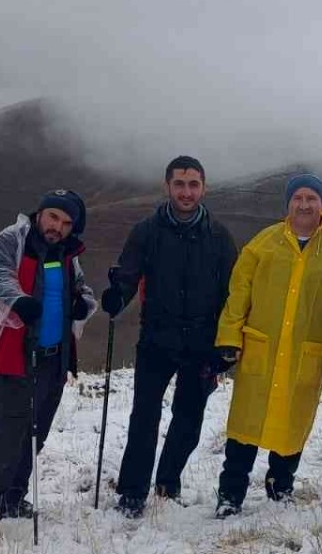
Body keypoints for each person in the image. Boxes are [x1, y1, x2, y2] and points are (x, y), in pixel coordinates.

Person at [212, 173, 322, 518]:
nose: (304, 204)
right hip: (260, 349)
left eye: (311, 198)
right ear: (288, 204)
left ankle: (280, 487)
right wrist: (228, 336)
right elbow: (239, 293)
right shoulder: (263, 244)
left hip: (305, 353)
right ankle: (230, 494)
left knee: (293, 424)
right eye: (298, 198)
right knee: (244, 425)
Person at [101, 156, 238, 518]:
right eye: (180, 184)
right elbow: (129, 274)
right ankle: (132, 492)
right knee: (144, 417)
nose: (186, 192)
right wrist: (118, 295)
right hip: (156, 341)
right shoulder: (146, 231)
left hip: (203, 344)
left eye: (193, 185)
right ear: (168, 186)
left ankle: (167, 484)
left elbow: (233, 294)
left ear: (203, 188)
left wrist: (228, 343)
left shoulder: (220, 237)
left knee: (189, 419)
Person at [0, 189, 96, 543]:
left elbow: (80, 286)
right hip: (15, 355)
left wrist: (83, 303)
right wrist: (19, 301)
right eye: (53, 217)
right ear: (40, 213)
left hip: (54, 357)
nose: (57, 227)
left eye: (66, 223)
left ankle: (13, 498)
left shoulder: (67, 252)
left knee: (37, 433)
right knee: (9, 434)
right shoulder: (12, 241)